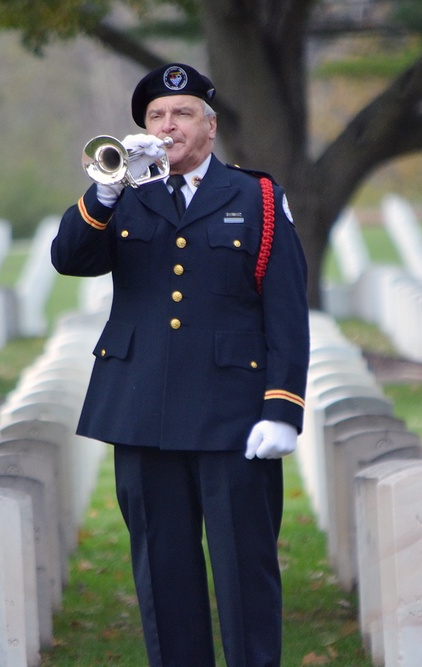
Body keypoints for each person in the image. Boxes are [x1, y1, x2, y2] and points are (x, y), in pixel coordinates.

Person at [51, 62, 310, 667]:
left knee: (246, 574)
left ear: (210, 126)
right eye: (156, 117)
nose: (168, 126)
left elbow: (286, 311)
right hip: (142, 412)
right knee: (163, 577)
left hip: (232, 418)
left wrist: (282, 410)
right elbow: (69, 258)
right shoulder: (123, 194)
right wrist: (105, 190)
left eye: (183, 113)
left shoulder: (259, 199)